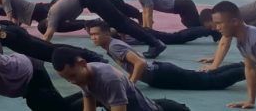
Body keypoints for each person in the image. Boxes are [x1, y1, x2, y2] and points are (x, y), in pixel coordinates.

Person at [87, 19, 245, 90]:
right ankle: (243, 66)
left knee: (210, 82)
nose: (93, 37)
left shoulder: (114, 47)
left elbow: (140, 63)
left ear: (107, 33)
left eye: (96, 34)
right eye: (91, 35)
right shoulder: (111, 45)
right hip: (160, 73)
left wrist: (131, 84)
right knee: (206, 77)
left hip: (161, 75)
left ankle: (250, 70)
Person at [52, 47, 189, 111]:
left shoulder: (108, 79)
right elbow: (89, 100)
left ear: (82, 63)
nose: (72, 81)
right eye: (67, 79)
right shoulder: (82, 75)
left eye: (72, 76)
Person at [42, 0, 165, 58]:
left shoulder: (53, 15)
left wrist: (40, 51)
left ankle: (155, 43)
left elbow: (48, 35)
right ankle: (152, 41)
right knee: (120, 23)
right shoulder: (59, 7)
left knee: (121, 23)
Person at [209, 1, 256, 111]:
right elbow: (250, 69)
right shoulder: (242, 40)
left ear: (234, 21)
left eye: (219, 23)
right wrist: (250, 100)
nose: (217, 28)